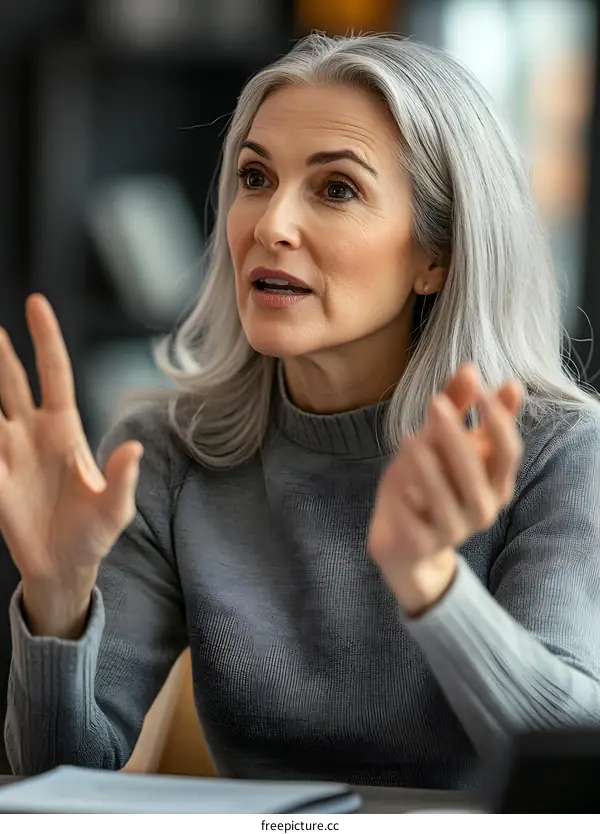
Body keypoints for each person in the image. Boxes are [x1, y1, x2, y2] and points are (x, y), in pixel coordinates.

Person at [2, 32, 600, 792]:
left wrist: (432, 584)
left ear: (437, 254)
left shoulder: (559, 454)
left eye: (336, 189)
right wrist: (56, 602)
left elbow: (574, 769)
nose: (269, 225)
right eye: (255, 178)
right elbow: (58, 784)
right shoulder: (166, 455)